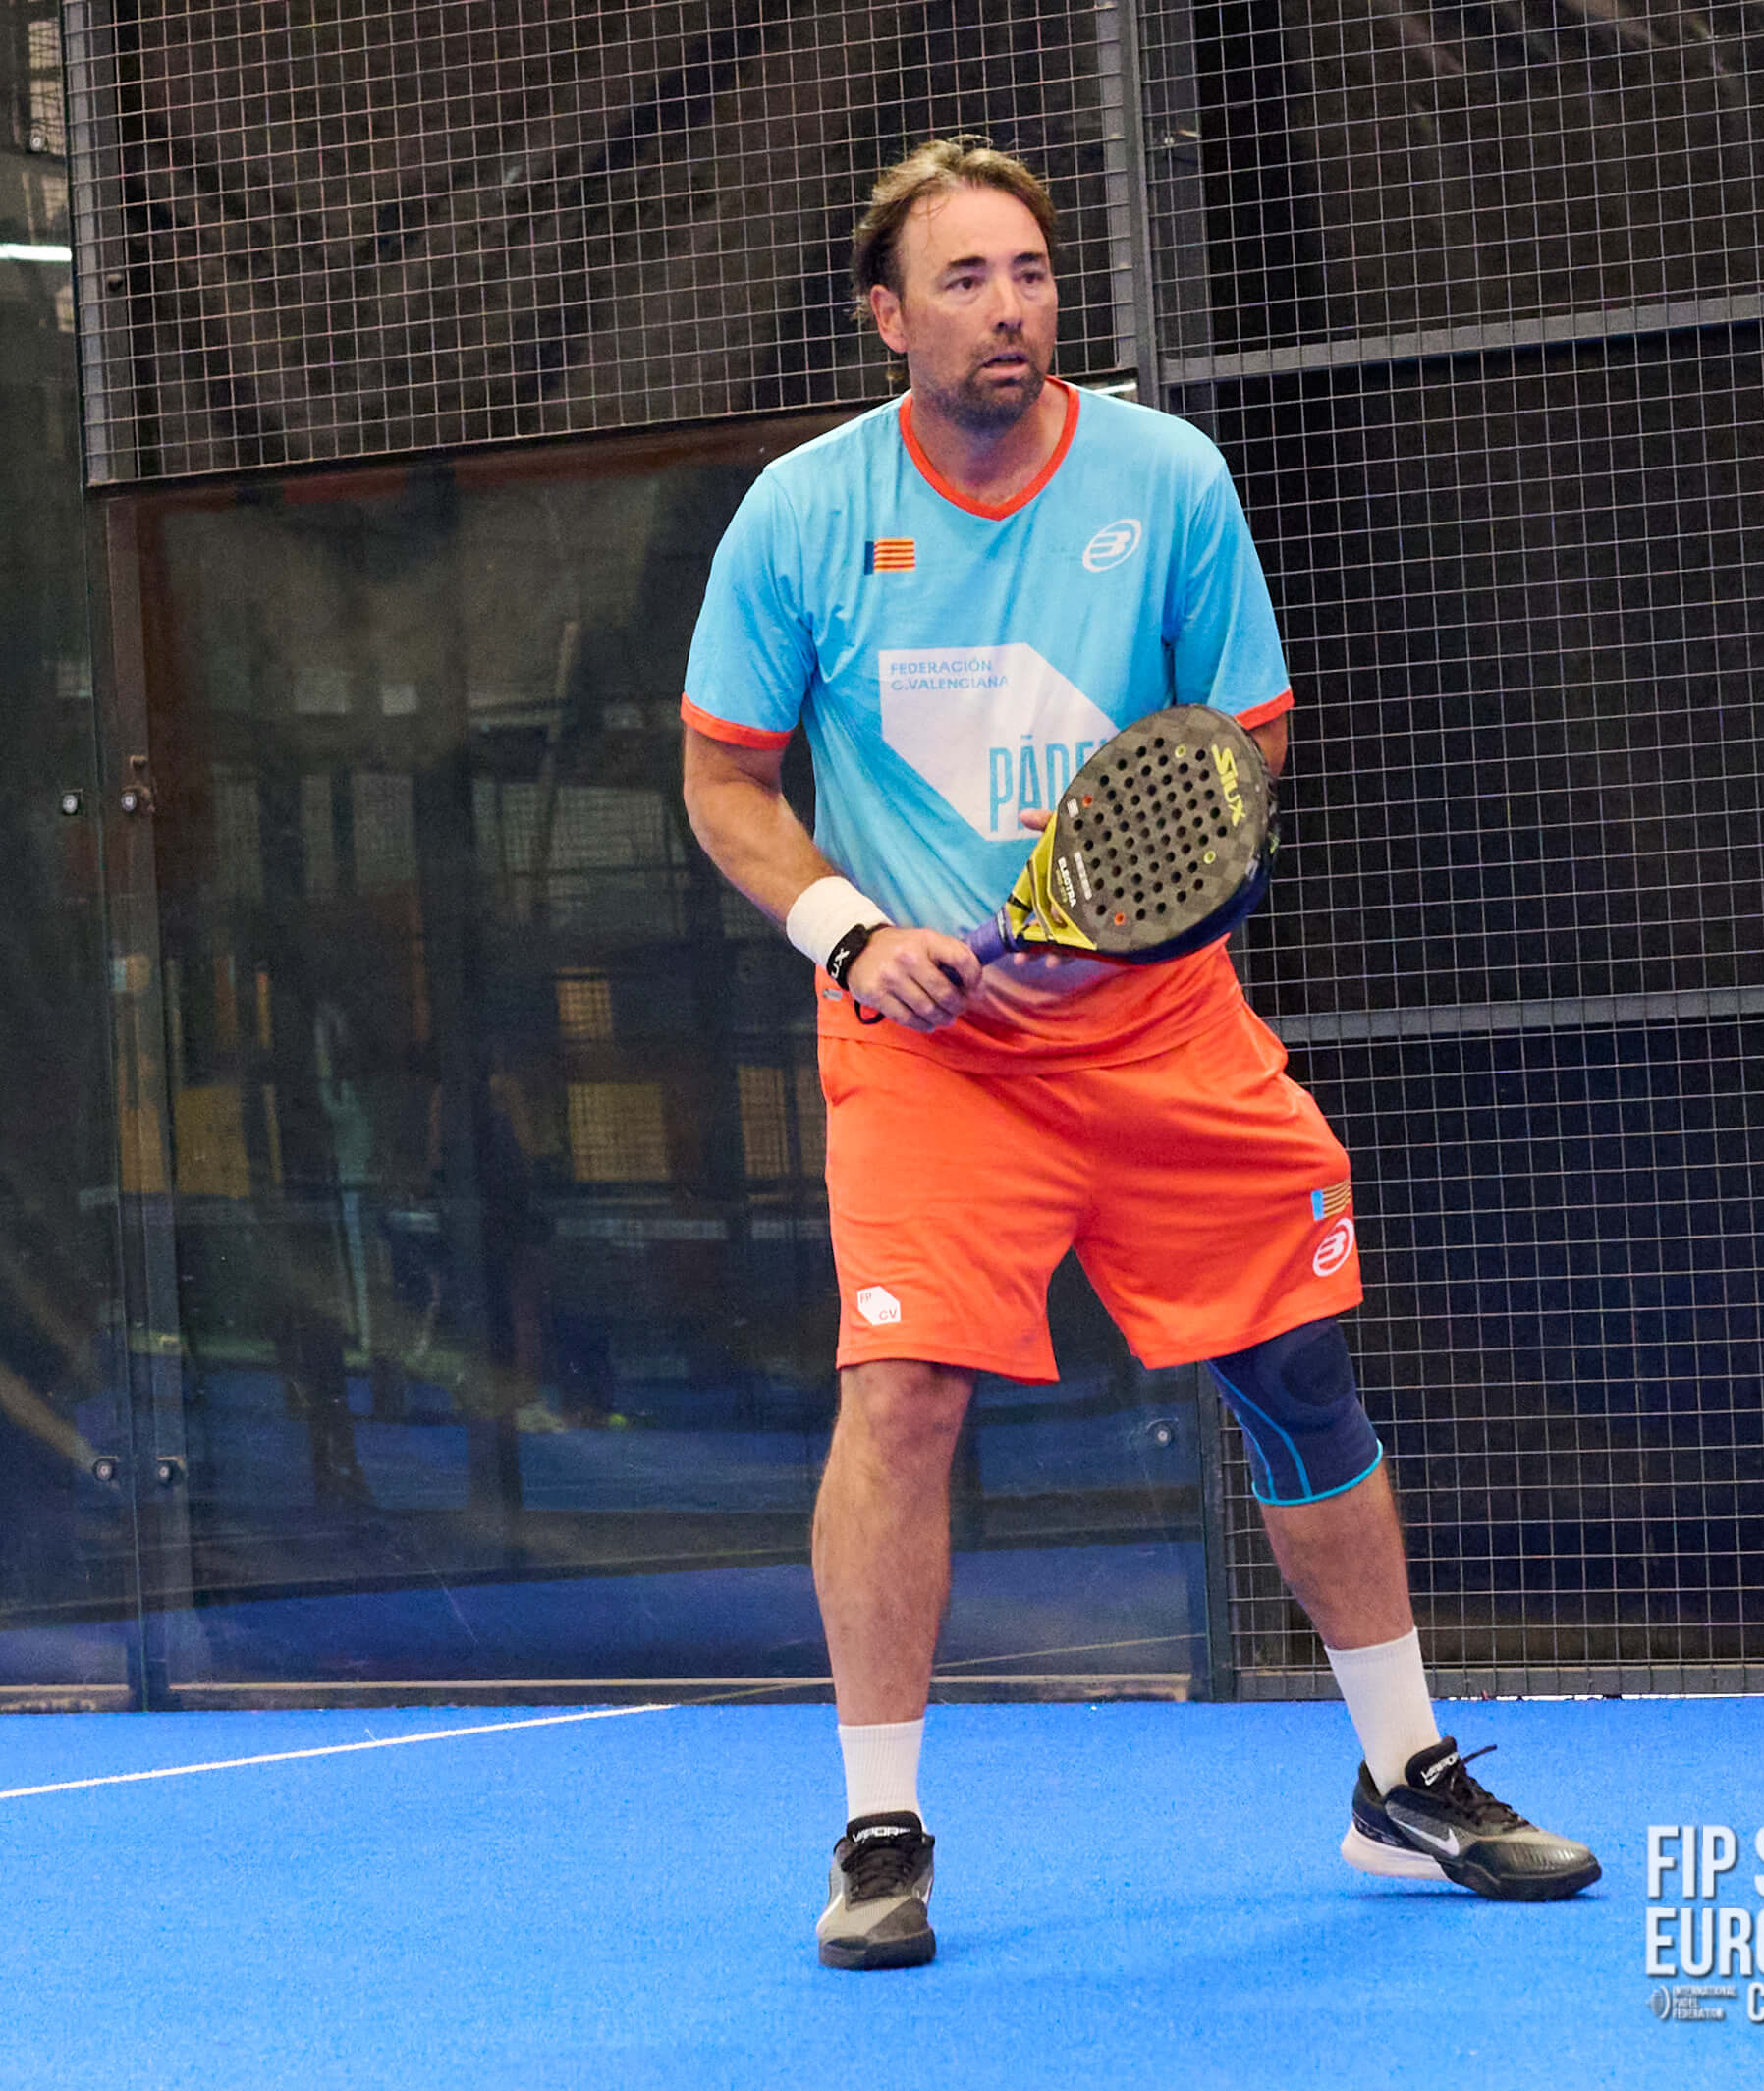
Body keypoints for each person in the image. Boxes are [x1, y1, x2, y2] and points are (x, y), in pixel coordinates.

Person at [678, 136, 1595, 1971]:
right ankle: (879, 1829)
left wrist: (1112, 926)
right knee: (901, 1394)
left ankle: (1404, 1777)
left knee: (1300, 1378)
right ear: (887, 317)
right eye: (963, 279)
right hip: (928, 1054)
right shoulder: (799, 514)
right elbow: (725, 779)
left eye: (1030, 270)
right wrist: (856, 932)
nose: (1009, 306)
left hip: (1166, 1031)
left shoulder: (1168, 478)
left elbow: (1239, 748)